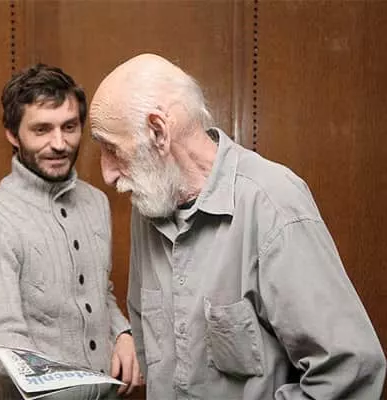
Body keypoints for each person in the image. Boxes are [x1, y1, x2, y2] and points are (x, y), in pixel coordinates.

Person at [88, 53, 386, 399]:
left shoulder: (273, 202)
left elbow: (348, 372)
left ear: (159, 131)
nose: (107, 174)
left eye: (112, 149)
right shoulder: (149, 202)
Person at [0, 63, 141, 399]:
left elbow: (99, 293)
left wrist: (123, 334)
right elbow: (2, 345)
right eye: (42, 129)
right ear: (12, 135)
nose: (60, 144)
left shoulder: (97, 202)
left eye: (69, 127)